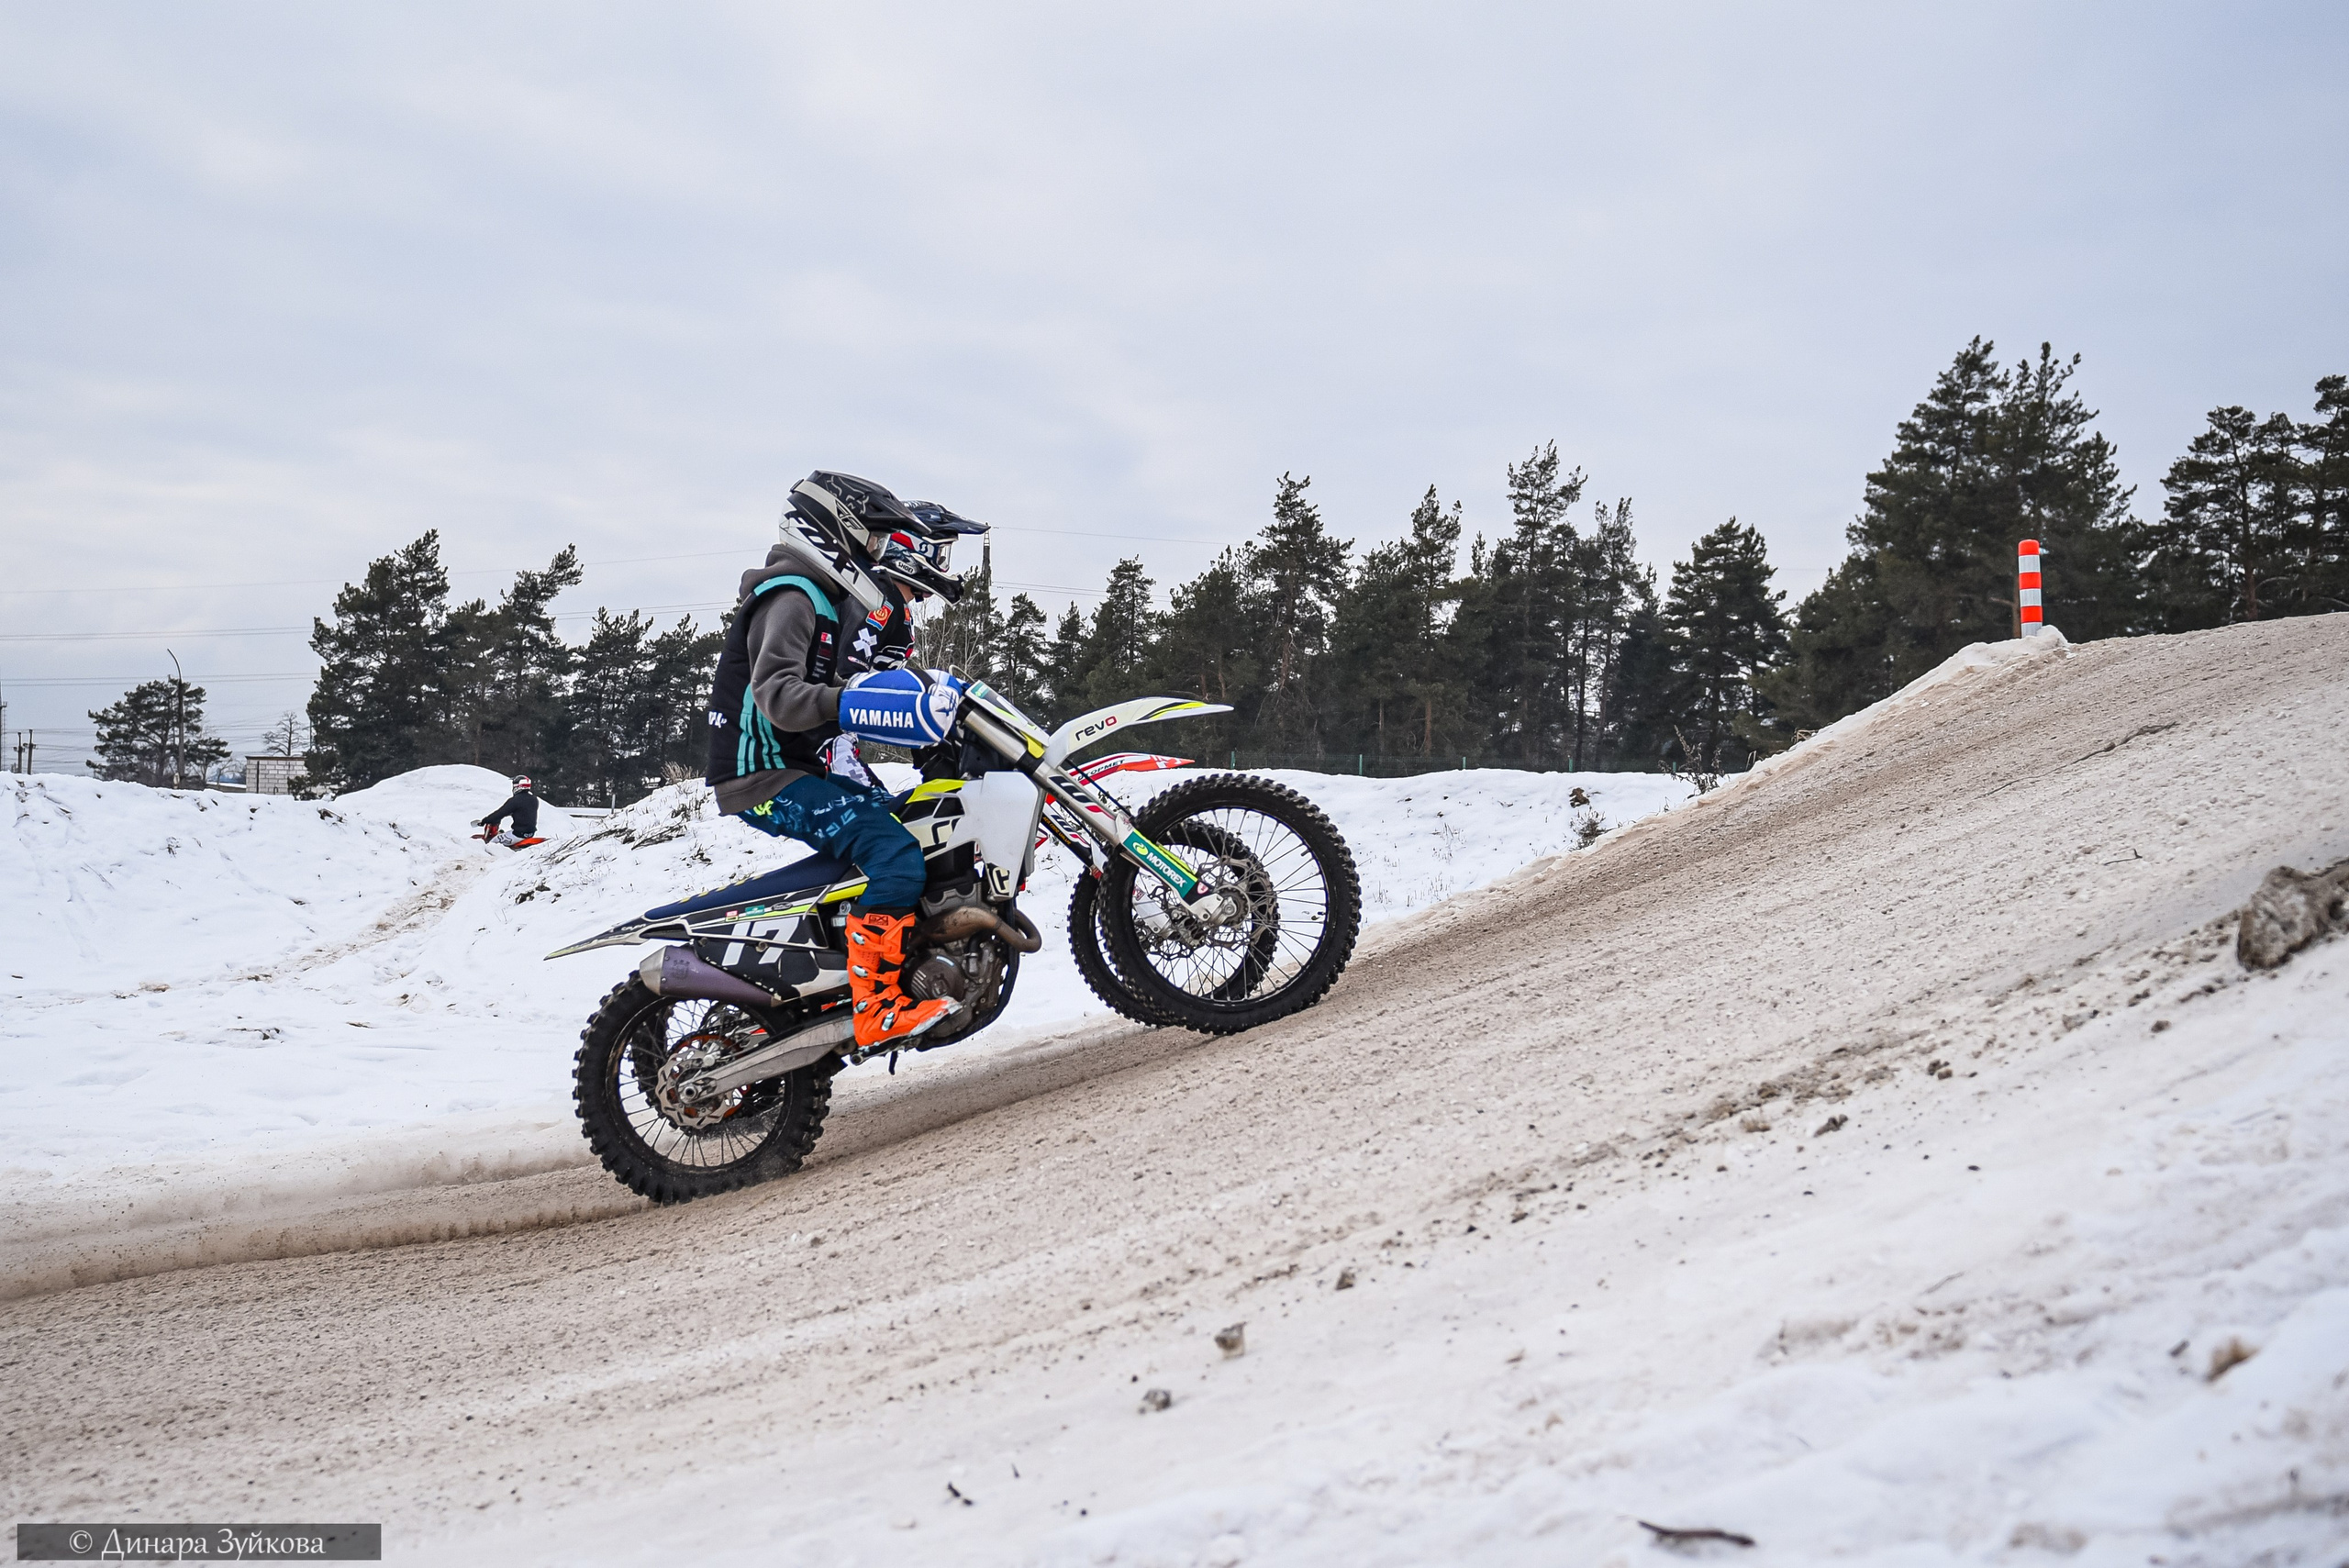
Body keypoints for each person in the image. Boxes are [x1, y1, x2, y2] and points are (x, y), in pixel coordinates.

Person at [704, 471, 988, 1050]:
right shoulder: (793, 595)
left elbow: (844, 690)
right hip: (764, 773)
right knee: (895, 854)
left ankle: (860, 975)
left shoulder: (824, 601)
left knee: (914, 833)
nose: (878, 552)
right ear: (837, 532)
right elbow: (780, 698)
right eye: (875, 540)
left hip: (800, 767)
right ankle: (877, 1008)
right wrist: (855, 700)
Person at [477, 774, 542, 849]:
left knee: (491, 844)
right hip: (530, 833)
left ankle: (494, 859)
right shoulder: (534, 799)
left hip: (517, 834)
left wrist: (485, 820)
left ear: (517, 786)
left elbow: (500, 813)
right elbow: (523, 812)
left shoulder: (515, 800)